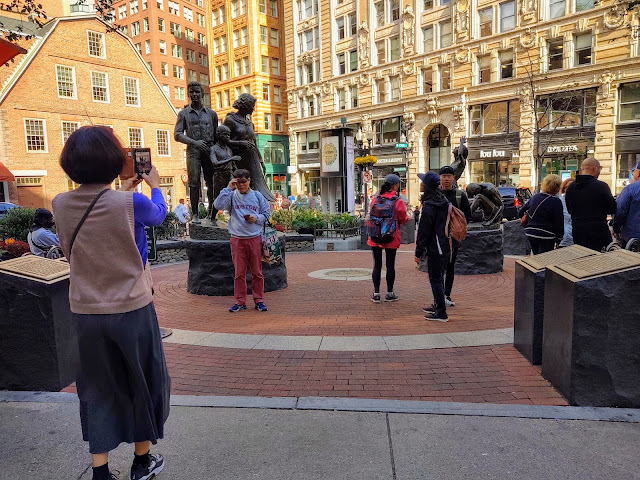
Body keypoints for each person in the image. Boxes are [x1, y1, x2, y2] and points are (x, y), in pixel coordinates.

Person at [51, 126, 170, 480]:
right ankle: (141, 462)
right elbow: (157, 214)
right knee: (141, 381)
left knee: (97, 387)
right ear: (116, 162)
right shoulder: (130, 203)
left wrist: (123, 192)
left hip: (86, 311)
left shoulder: (59, 203)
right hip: (132, 308)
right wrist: (155, 185)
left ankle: (100, 471)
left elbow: (100, 218)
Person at [213, 169, 271, 312]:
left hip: (254, 238)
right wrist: (228, 188)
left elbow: (266, 214)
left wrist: (255, 218)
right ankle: (240, 301)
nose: (240, 185)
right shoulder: (231, 195)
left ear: (249, 180)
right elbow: (217, 205)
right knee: (239, 273)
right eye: (237, 182)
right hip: (237, 239)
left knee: (257, 272)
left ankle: (259, 300)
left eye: (243, 182)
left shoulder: (257, 196)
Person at [174, 81, 219, 222]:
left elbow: (216, 134)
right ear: (188, 94)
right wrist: (194, 142)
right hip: (193, 151)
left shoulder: (211, 114)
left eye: (197, 92)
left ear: (202, 94)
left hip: (209, 150)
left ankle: (212, 213)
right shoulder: (183, 114)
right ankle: (195, 215)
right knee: (193, 182)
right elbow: (177, 134)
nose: (194, 94)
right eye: (191, 92)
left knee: (211, 181)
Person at [367, 174, 409, 303]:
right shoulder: (398, 201)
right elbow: (404, 219)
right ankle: (390, 293)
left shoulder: (375, 199)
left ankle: (376, 293)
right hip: (391, 236)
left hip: (375, 235)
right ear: (395, 185)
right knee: (390, 265)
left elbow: (371, 213)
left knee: (377, 264)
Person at [415, 171, 450, 322]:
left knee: (435, 279)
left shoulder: (430, 206)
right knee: (439, 278)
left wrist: (418, 251)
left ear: (427, 186)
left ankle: (441, 312)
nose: (420, 184)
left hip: (436, 247)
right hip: (444, 244)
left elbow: (424, 230)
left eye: (423, 182)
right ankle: (438, 305)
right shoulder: (443, 201)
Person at [565, 157, 617, 252]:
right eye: (600, 168)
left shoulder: (570, 187)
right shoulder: (601, 186)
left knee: (581, 257)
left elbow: (569, 209)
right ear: (595, 168)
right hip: (598, 231)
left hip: (578, 231)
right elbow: (612, 208)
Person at [439, 165, 472, 306]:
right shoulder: (435, 194)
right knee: (438, 268)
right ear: (440, 178)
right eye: (444, 176)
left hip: (453, 238)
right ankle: (439, 295)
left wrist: (458, 228)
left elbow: (468, 216)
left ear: (453, 178)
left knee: (450, 266)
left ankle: (447, 294)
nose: (446, 179)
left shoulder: (460, 195)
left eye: (449, 176)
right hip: (438, 238)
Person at [518, 174, 564, 254]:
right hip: (547, 236)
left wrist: (528, 221)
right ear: (557, 187)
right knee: (544, 259)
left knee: (536, 256)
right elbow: (558, 222)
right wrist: (559, 239)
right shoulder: (556, 201)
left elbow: (521, 212)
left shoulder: (535, 197)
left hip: (531, 233)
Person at [613, 160, 640, 244]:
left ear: (638, 173)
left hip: (633, 238)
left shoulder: (631, 189)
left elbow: (620, 211)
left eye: (633, 171)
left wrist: (616, 229)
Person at [559, 178, 574, 247]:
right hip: (564, 240)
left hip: (578, 239)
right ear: (564, 189)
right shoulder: (559, 202)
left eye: (573, 186)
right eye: (567, 187)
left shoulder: (582, 202)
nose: (570, 189)